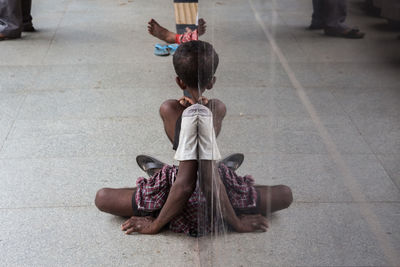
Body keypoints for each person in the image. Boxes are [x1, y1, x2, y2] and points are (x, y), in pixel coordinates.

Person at [95, 41, 293, 236]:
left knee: (102, 197)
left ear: (179, 81)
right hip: (218, 196)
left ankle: (161, 173)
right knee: (284, 194)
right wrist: (235, 220)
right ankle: (223, 169)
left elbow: (188, 184)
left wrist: (155, 225)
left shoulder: (170, 109)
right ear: (212, 82)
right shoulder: (216, 108)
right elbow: (208, 177)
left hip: (176, 194)